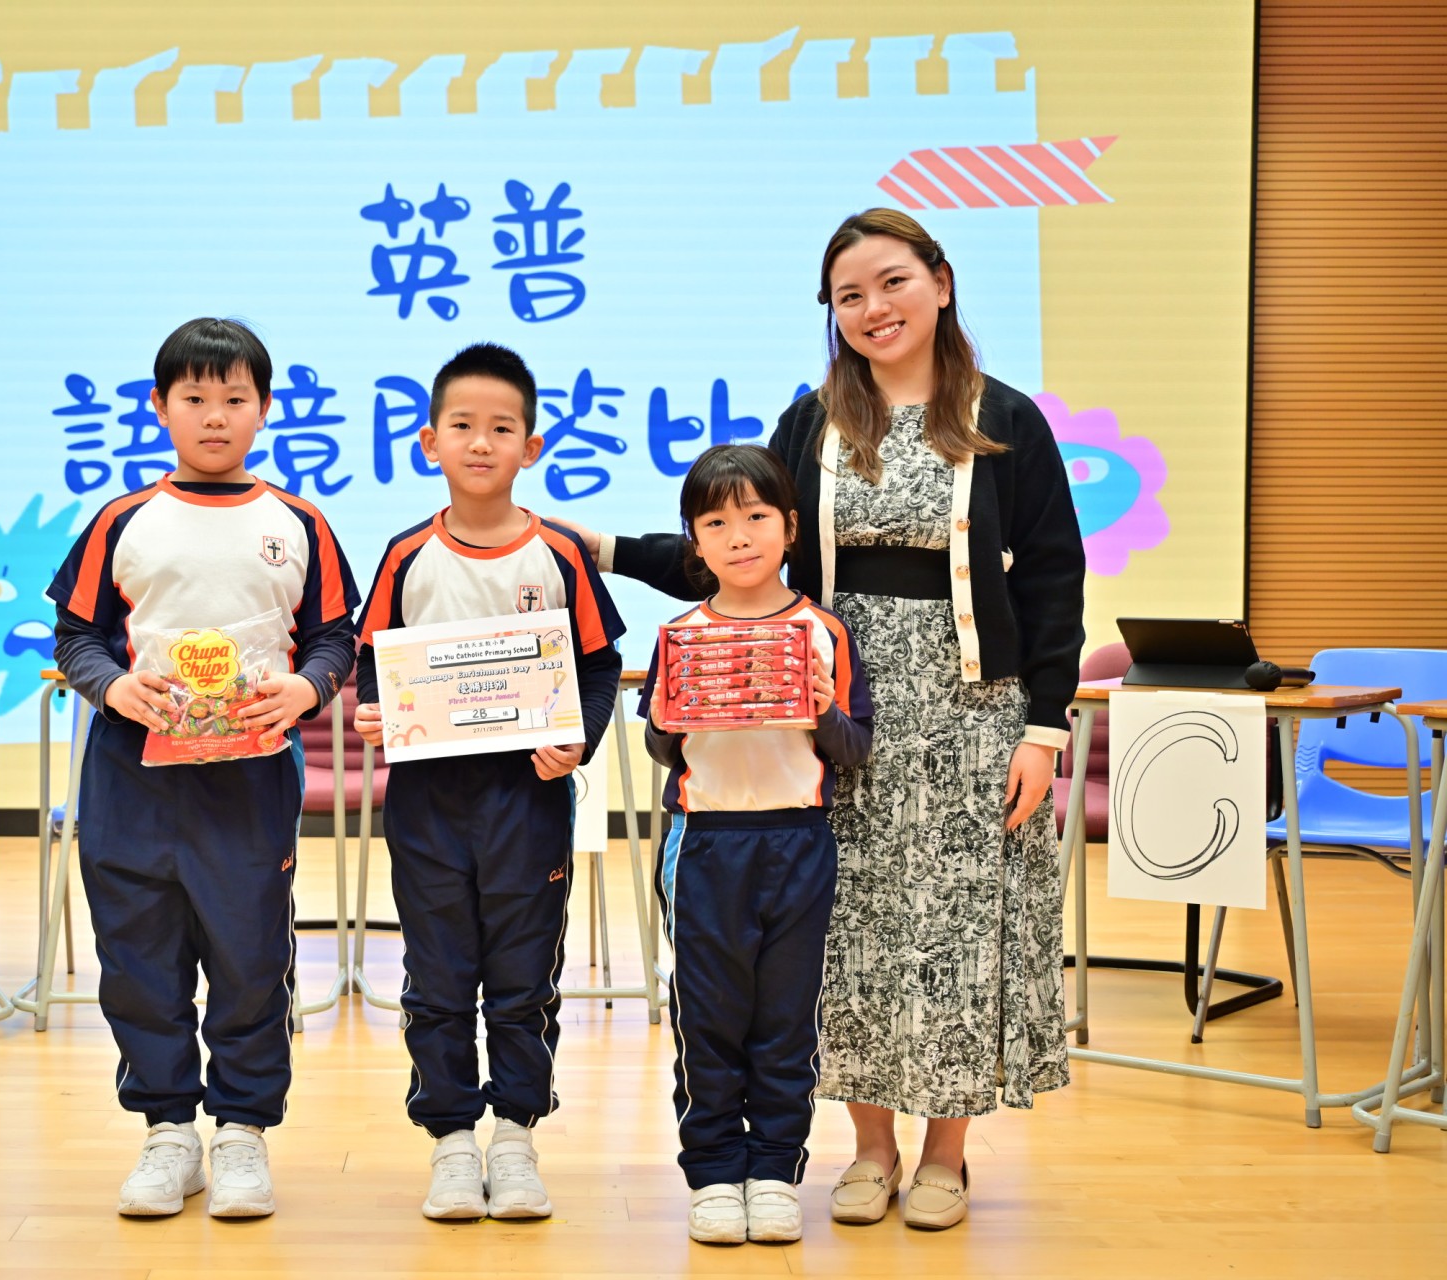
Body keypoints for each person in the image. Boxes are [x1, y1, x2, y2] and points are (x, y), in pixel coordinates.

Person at [578, 208, 1084, 1231]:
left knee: (955, 929)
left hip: (970, 715)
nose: (873, 308)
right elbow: (737, 549)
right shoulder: (813, 421)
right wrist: (602, 547)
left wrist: (1045, 727)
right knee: (846, 935)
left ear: (941, 283)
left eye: (892, 282)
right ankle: (870, 1149)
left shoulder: (1006, 419)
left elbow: (1054, 578)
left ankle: (946, 1154)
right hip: (831, 714)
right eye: (850, 295)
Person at [47, 317, 359, 1221]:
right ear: (160, 407)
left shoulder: (299, 523)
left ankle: (242, 1133)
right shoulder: (122, 521)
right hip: (132, 776)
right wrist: (114, 687)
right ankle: (168, 1133)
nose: (214, 416)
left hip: (250, 779)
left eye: (234, 399)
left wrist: (306, 689)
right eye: (194, 398)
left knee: (250, 955)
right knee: (137, 954)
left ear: (264, 409)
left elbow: (335, 639)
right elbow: (76, 637)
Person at [353, 342, 624, 1222]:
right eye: (462, 426)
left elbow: (597, 668)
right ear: (429, 441)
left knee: (523, 977)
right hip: (428, 806)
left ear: (530, 447)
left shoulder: (560, 553)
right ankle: (450, 1141)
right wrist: (373, 711)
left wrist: (577, 743)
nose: (481, 442)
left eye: (501, 428)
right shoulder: (405, 555)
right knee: (436, 977)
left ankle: (515, 1138)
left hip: (528, 802)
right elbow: (372, 664)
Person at [637, 444, 873, 1245]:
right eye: (716, 523)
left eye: (756, 516)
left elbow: (854, 747)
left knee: (785, 1017)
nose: (738, 536)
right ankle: (712, 1171)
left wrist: (820, 711)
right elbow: (664, 749)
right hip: (705, 844)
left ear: (790, 528)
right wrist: (664, 718)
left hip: (798, 841)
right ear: (695, 543)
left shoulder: (822, 631)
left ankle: (774, 1170)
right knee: (709, 1017)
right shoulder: (681, 635)